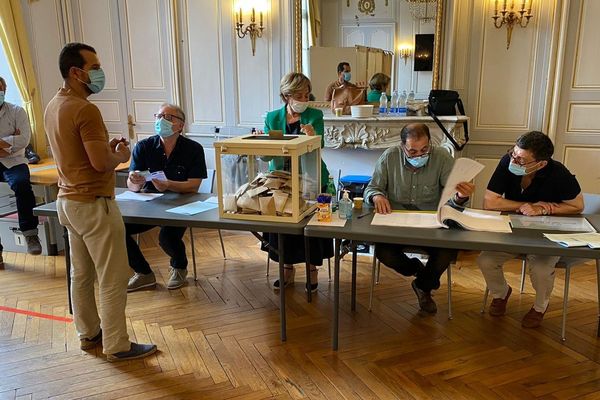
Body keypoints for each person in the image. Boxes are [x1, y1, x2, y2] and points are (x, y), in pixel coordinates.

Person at [44, 42, 156, 361]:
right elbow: (99, 163)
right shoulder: (85, 109)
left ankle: (89, 332)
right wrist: (120, 156)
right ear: (76, 72)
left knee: (80, 275)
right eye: (94, 68)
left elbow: (78, 152)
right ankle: (118, 344)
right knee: (113, 277)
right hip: (94, 204)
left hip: (67, 201)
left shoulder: (54, 104)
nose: (100, 73)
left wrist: (105, 149)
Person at [363, 123, 474, 314]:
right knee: (384, 252)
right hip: (396, 223)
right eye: (412, 151)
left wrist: (461, 196)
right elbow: (372, 188)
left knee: (447, 252)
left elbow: (452, 198)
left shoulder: (441, 157)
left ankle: (423, 286)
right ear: (402, 146)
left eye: (424, 150)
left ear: (430, 143)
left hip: (432, 223)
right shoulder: (390, 156)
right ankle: (421, 274)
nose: (419, 156)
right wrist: (377, 196)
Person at [477, 131, 584, 328]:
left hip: (547, 235)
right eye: (513, 154)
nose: (514, 161)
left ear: (541, 163)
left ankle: (539, 307)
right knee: (486, 259)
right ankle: (501, 293)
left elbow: (577, 206)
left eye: (521, 160)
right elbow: (490, 203)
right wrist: (522, 206)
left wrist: (544, 208)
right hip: (512, 232)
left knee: (541, 269)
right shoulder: (506, 162)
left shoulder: (558, 173)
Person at [263, 72, 333, 292]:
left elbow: (319, 147)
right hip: (282, 180)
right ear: (286, 96)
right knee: (282, 227)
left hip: (311, 178)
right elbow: (266, 154)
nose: (304, 99)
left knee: (311, 227)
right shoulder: (272, 117)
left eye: (306, 95)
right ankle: (286, 269)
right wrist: (261, 146)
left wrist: (312, 136)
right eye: (299, 95)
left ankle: (312, 270)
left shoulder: (315, 115)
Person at [125, 103, 207, 292]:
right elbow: (132, 187)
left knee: (167, 237)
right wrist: (134, 180)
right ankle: (143, 273)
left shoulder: (193, 148)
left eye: (168, 117)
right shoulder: (143, 146)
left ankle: (179, 267)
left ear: (180, 125)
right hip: (149, 203)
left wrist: (169, 184)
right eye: (159, 116)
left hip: (182, 203)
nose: (161, 120)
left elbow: (194, 186)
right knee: (117, 228)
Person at [0, 77, 42, 258]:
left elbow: (24, 139)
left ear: (5, 90)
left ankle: (30, 234)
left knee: (21, 184)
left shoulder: (17, 111)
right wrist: (10, 141)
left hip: (14, 161)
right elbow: (16, 141)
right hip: (10, 154)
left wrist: (5, 146)